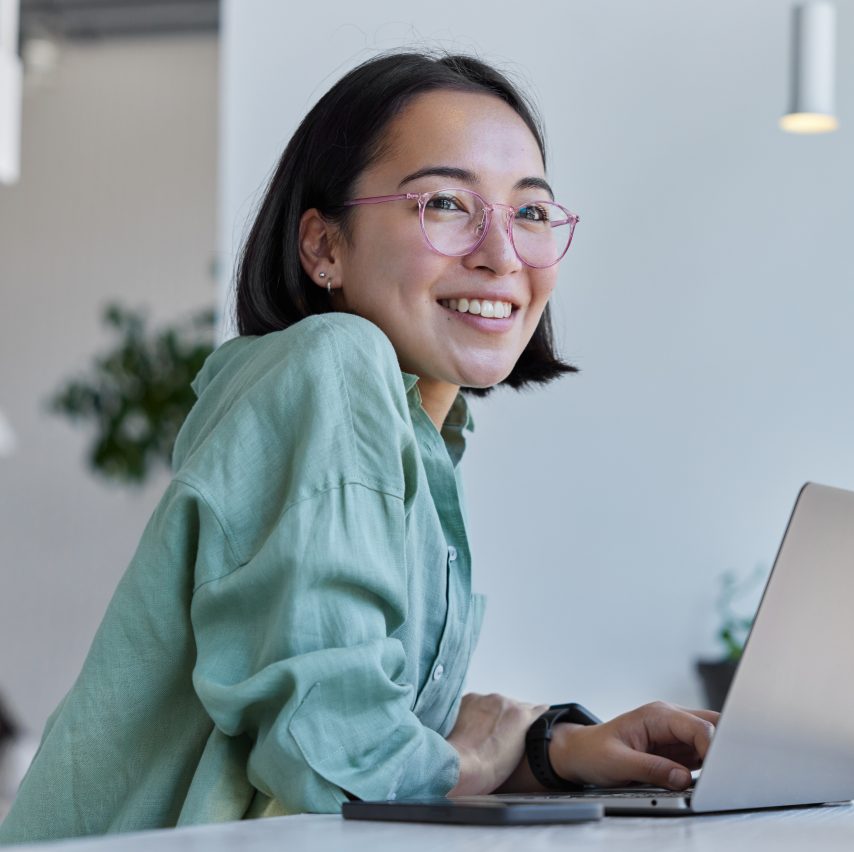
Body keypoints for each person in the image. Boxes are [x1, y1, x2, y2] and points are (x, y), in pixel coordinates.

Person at [0, 51, 717, 844]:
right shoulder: (332, 364)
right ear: (323, 249)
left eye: (531, 212)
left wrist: (555, 749)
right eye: (446, 203)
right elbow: (337, 763)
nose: (502, 254)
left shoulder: (421, 436)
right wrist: (479, 755)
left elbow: (372, 748)